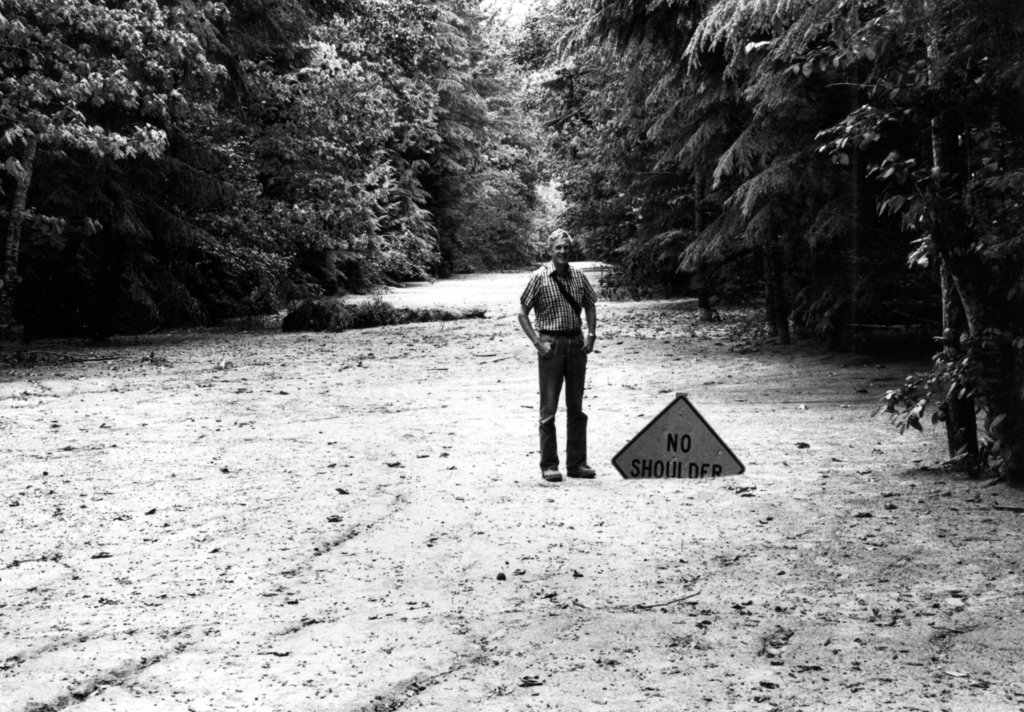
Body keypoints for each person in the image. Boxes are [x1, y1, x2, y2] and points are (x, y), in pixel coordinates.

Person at [518, 229, 598, 482]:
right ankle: (550, 465)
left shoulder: (578, 276)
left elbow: (590, 305)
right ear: (550, 250)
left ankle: (577, 464)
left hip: (576, 344)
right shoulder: (539, 277)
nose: (562, 251)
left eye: (566, 247)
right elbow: (522, 313)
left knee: (576, 408)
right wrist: (537, 343)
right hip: (550, 345)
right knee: (549, 409)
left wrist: (591, 335)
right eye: (558, 247)